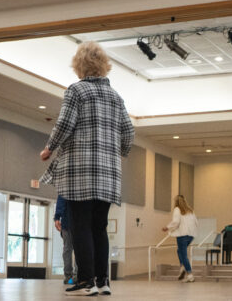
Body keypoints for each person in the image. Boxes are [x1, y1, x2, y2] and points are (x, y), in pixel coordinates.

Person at [40, 41, 135, 297]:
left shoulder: (77, 91)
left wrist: (49, 147)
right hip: (108, 175)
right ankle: (103, 281)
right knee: (98, 226)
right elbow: (129, 131)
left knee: (80, 225)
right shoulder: (116, 97)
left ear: (79, 66)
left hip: (79, 171)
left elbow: (65, 123)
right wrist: (119, 154)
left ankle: (85, 281)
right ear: (104, 66)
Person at [162, 195, 198, 283]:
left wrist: (167, 227)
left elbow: (176, 222)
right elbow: (196, 222)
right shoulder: (190, 210)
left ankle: (190, 275)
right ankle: (182, 267)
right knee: (179, 251)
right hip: (191, 235)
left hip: (182, 235)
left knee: (184, 255)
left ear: (176, 202)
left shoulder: (177, 209)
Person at [54, 195, 76, 285]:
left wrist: (57, 218)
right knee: (79, 250)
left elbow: (60, 202)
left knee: (67, 249)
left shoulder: (64, 187)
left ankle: (68, 276)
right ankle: (77, 276)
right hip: (78, 223)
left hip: (67, 223)